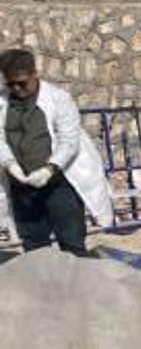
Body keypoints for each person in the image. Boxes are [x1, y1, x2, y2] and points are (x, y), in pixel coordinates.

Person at [0, 48, 113, 256]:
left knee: (71, 241)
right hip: (22, 186)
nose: (16, 89)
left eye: (22, 83)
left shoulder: (58, 99)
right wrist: (10, 165)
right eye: (10, 84)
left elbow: (69, 141)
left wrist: (49, 169)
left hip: (59, 183)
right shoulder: (3, 102)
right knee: (34, 247)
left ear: (35, 73)